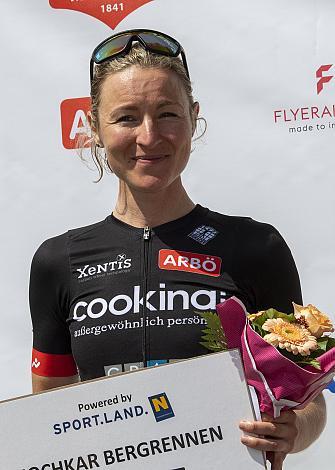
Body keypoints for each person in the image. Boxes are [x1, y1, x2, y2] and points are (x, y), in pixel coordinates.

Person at [29, 29, 326, 469]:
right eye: (126, 117)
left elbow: (311, 403)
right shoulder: (58, 261)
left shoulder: (256, 247)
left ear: (193, 118)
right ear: (93, 127)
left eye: (167, 114)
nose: (149, 137)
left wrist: (295, 431)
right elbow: (48, 417)